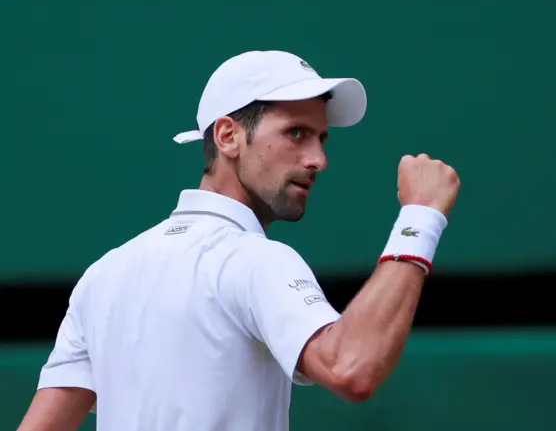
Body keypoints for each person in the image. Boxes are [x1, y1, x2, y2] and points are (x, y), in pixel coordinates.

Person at [17, 50, 460, 431]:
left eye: (321, 138)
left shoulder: (104, 274)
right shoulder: (254, 260)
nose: (319, 160)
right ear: (228, 136)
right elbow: (350, 367)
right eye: (295, 133)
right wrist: (420, 218)